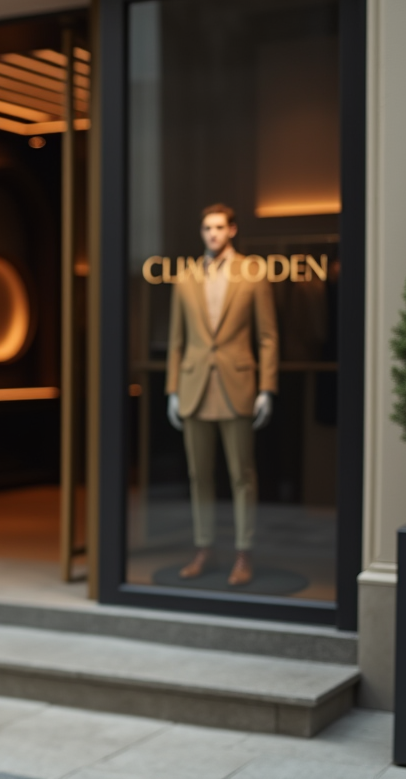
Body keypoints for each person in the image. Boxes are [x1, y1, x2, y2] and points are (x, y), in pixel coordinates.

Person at [165, 203, 278, 587]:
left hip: (238, 386)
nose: (212, 233)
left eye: (218, 227)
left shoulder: (253, 273)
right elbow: (177, 341)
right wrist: (173, 390)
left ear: (232, 230)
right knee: (199, 475)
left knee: (242, 474)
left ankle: (244, 552)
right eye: (206, 228)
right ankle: (204, 548)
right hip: (195, 386)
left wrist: (266, 387)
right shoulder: (185, 278)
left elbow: (267, 336)